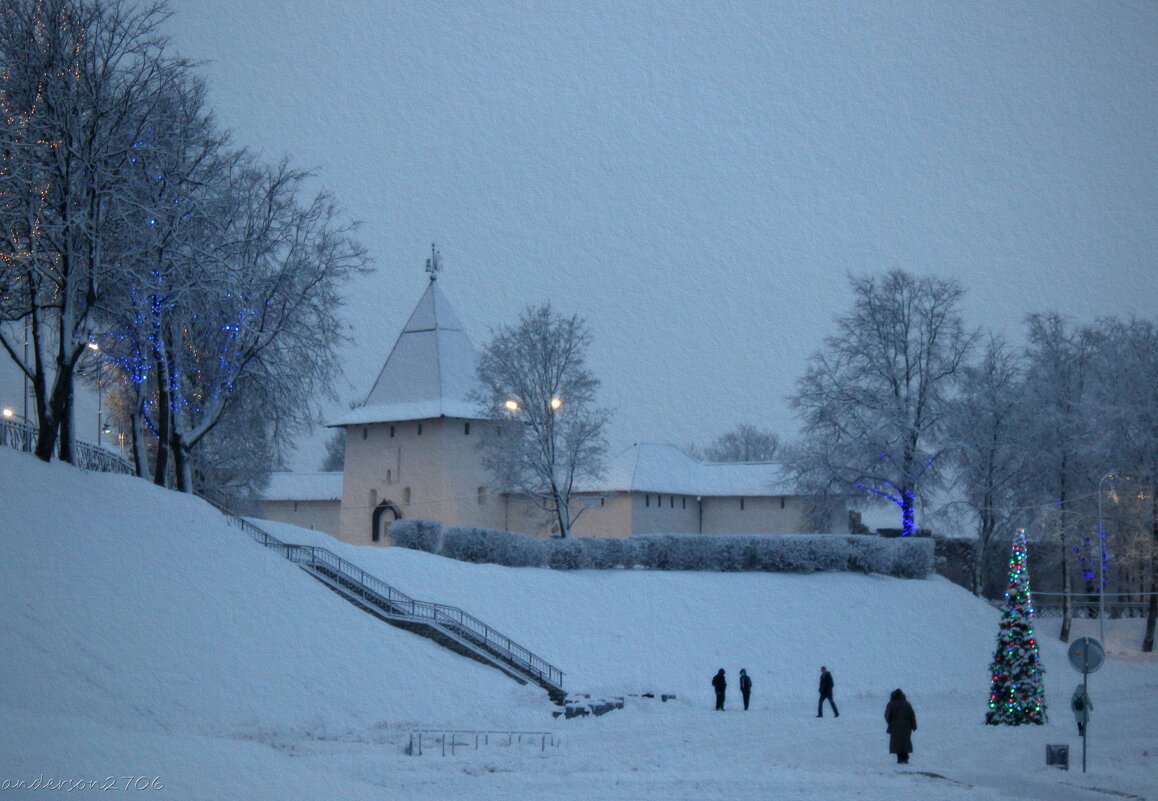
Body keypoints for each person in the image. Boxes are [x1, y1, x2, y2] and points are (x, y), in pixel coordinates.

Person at [884, 688, 917, 764]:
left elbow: (887, 715)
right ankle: (905, 757)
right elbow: (912, 715)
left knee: (897, 742)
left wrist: (890, 723)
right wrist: (914, 725)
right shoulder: (907, 704)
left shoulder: (891, 704)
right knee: (905, 741)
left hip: (895, 726)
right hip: (906, 726)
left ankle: (900, 758)